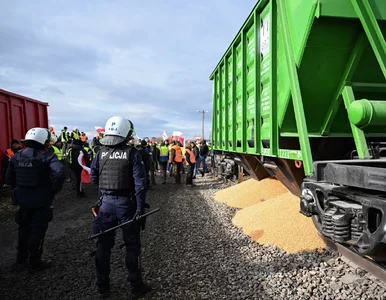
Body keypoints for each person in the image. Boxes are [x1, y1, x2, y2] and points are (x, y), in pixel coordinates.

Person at [90, 116, 151, 298]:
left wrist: (105, 191)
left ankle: (102, 286)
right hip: (126, 204)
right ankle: (136, 285)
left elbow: (94, 177)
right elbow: (140, 185)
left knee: (103, 245)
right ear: (125, 133)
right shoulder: (132, 153)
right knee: (132, 245)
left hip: (105, 204)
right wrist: (140, 210)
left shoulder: (100, 152)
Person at [5, 128, 65, 273]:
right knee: (38, 230)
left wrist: (19, 189)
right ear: (43, 141)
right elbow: (60, 172)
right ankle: (35, 261)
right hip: (41, 200)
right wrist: (53, 190)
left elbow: (8, 179)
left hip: (23, 201)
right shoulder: (47, 156)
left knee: (23, 229)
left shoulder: (16, 156)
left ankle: (21, 259)